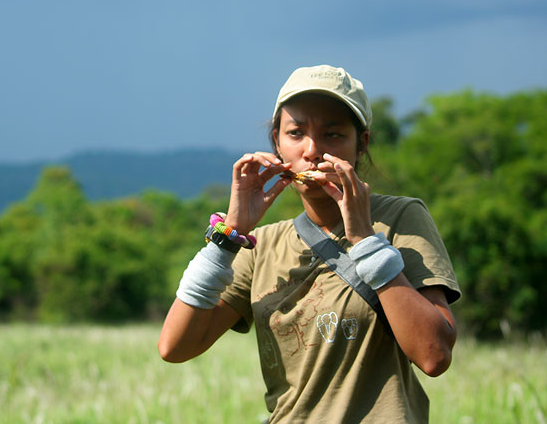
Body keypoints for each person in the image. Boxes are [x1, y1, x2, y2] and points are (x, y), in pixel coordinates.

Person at [158, 65, 461, 423]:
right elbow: (175, 347)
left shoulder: (399, 219)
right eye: (296, 133)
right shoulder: (263, 245)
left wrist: (364, 241)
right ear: (276, 142)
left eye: (332, 134)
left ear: (360, 144)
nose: (312, 150)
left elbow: (433, 355)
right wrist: (229, 236)